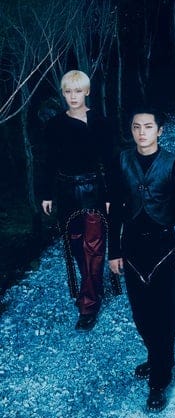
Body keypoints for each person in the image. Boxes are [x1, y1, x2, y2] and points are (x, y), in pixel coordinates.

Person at [108, 108, 175, 412]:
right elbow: (115, 211)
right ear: (131, 131)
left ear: (160, 130)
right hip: (132, 247)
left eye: (148, 126)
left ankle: (159, 380)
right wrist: (113, 252)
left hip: (163, 248)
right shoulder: (121, 161)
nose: (142, 132)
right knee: (141, 314)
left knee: (163, 315)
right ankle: (160, 357)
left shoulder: (174, 165)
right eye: (136, 127)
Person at [41, 70, 114, 331]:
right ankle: (93, 284)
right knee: (75, 246)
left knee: (93, 246)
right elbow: (47, 162)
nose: (73, 96)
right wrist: (46, 194)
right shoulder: (54, 126)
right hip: (66, 192)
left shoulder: (101, 123)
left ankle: (88, 305)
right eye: (68, 91)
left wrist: (111, 195)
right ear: (63, 94)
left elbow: (111, 162)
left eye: (78, 91)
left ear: (87, 92)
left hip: (93, 189)